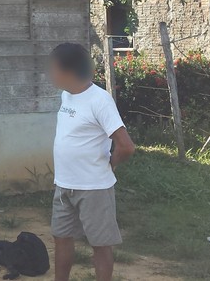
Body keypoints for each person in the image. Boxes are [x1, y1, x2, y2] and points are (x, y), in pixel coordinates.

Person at [48, 43, 135, 281]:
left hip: (94, 188)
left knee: (100, 243)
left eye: (53, 68)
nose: (50, 73)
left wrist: (110, 165)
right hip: (64, 185)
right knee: (61, 237)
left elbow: (126, 146)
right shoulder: (66, 95)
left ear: (68, 71)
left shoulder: (99, 100)